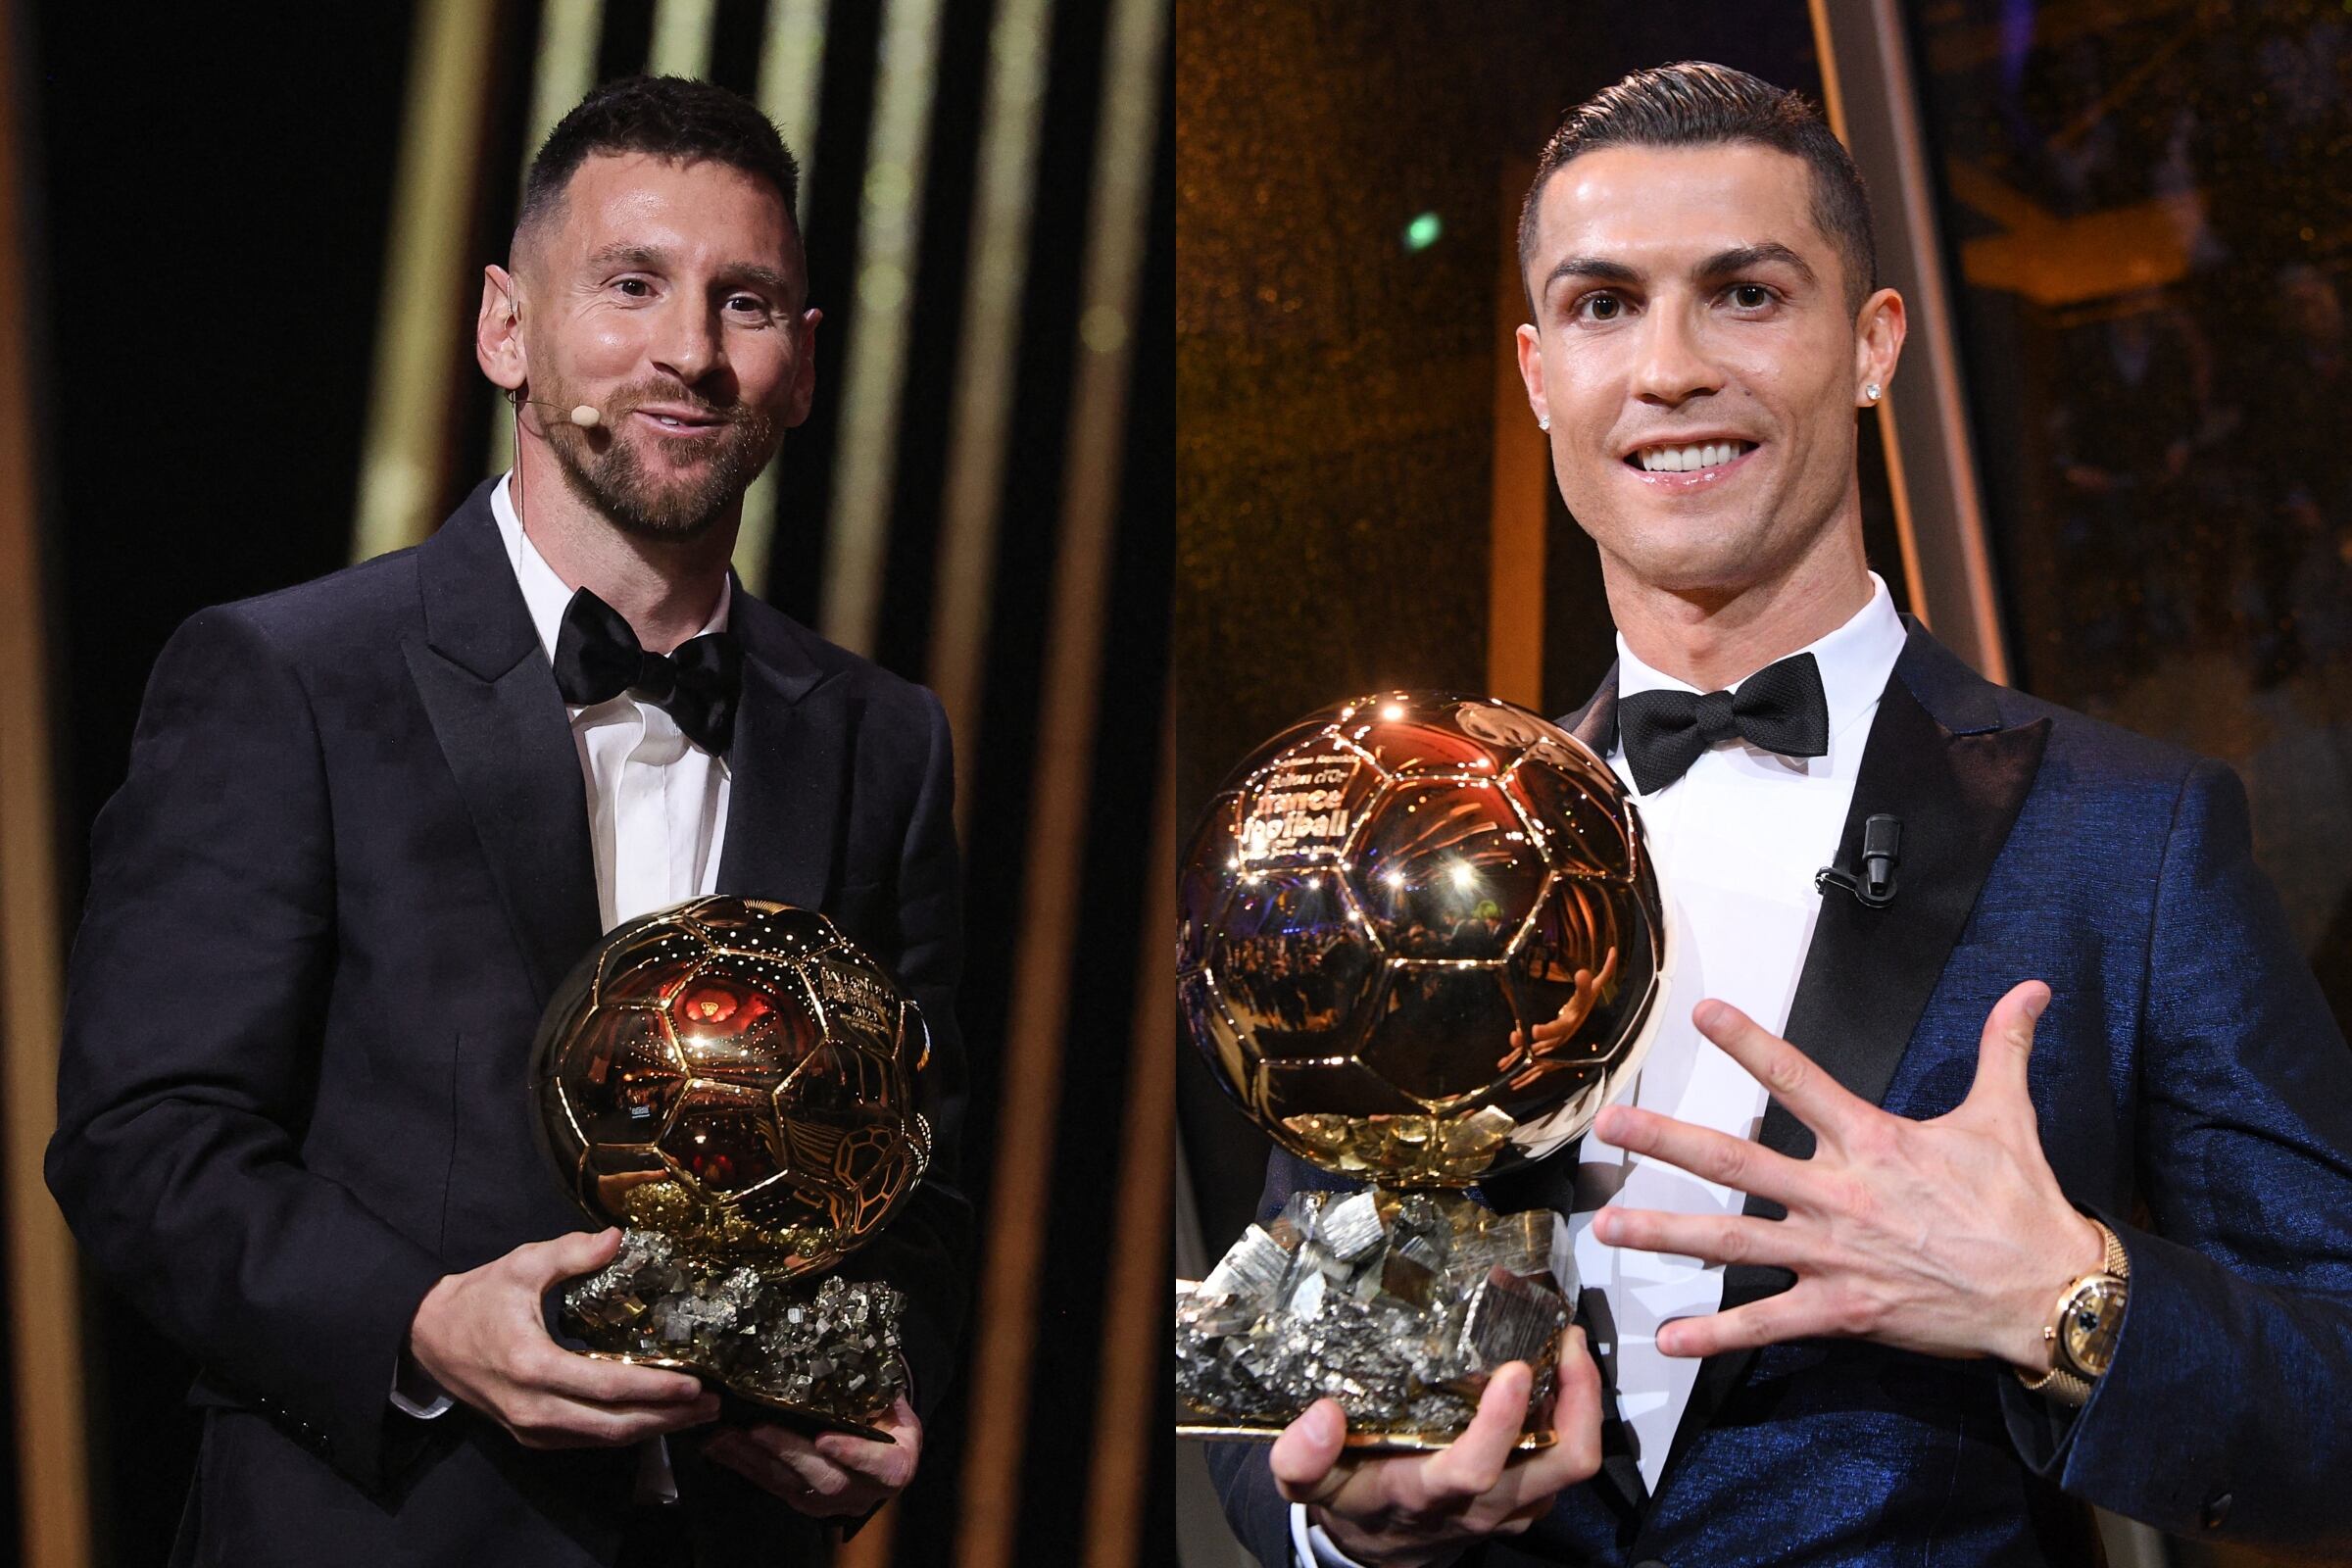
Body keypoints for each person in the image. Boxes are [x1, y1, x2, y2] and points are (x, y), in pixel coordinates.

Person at [1209, 62, 2352, 1567]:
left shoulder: (2129, 835)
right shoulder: (1408, 843)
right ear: (1541, 371)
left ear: (1874, 345)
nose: (1669, 368)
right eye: (1605, 305)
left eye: (1745, 294)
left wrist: (2064, 1297)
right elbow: (1283, 1358)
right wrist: (1345, 1531)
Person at [46, 74, 971, 1566]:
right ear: (503, 326)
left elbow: (924, 1174)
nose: (687, 351)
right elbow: (142, 1140)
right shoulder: (285, 677)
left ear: (803, 366)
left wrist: (881, 1392)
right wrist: (421, 1321)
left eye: (745, 305)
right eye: (630, 284)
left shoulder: (882, 737)